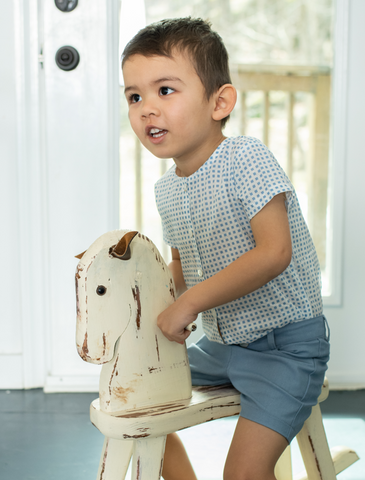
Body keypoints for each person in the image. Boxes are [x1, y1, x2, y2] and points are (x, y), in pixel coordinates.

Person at [121, 17, 330, 480]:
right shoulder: (167, 190)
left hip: (284, 348)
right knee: (136, 401)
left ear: (220, 102)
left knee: (243, 474)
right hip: (221, 345)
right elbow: (181, 267)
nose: (146, 109)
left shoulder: (246, 159)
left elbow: (275, 252)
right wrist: (152, 306)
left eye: (165, 90)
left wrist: (191, 302)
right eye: (134, 96)